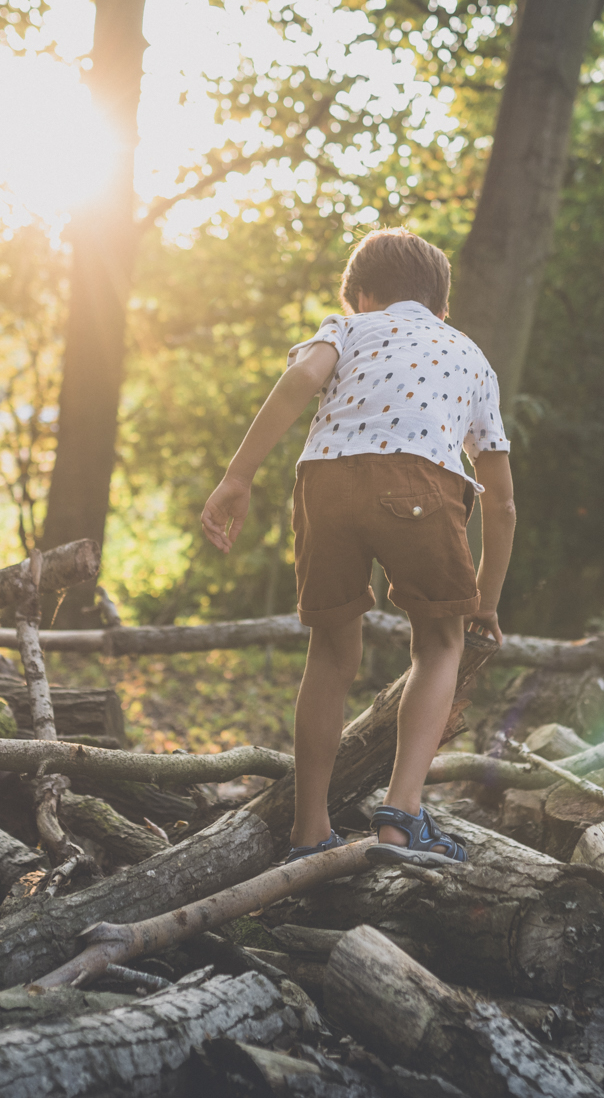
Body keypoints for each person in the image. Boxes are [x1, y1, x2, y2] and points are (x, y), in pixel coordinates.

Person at [201, 228, 516, 866]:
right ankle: (401, 817)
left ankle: (309, 830)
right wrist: (485, 600)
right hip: (422, 481)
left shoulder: (347, 330)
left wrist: (238, 477)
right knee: (440, 644)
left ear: (362, 297)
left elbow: (301, 380)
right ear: (441, 305)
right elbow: (503, 502)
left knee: (330, 652)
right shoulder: (470, 355)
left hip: (327, 482)